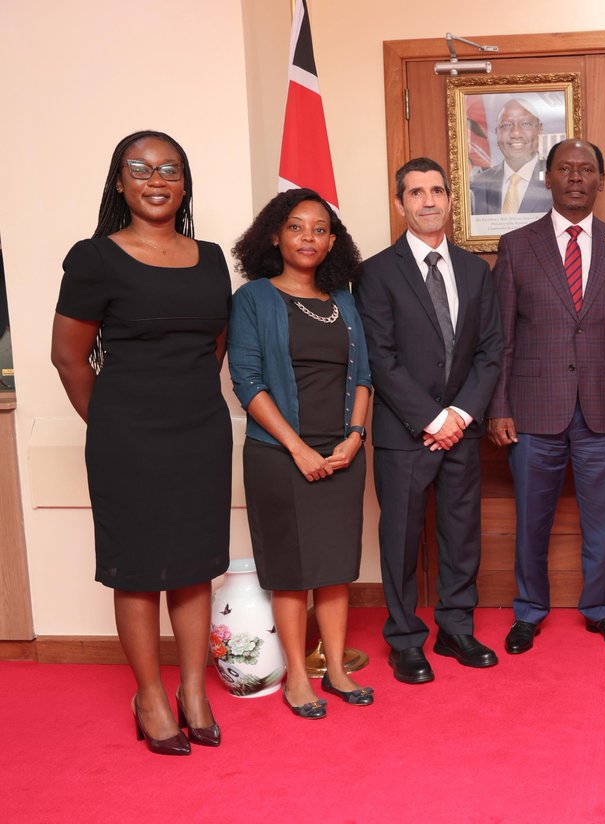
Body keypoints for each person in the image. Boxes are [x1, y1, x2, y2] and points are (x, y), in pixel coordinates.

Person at [51, 130, 231, 754]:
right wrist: (113, 425)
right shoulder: (94, 258)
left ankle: (193, 691)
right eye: (141, 168)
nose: (156, 180)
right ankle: (150, 696)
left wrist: (183, 406)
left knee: (195, 566)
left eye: (169, 170)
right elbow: (69, 359)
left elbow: (213, 348)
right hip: (127, 438)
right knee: (137, 571)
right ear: (119, 182)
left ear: (184, 183)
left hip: (201, 432)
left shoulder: (211, 257)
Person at [487, 139, 605, 652]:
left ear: (601, 181)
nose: (576, 178)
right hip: (532, 411)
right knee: (531, 521)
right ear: (548, 178)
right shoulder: (518, 247)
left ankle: (600, 609)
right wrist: (498, 406)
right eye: (566, 169)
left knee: (601, 521)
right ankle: (528, 611)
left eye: (587, 169)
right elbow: (500, 338)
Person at [356, 158, 503, 684]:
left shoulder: (475, 270)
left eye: (437, 190)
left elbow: (490, 350)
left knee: (461, 534)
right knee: (400, 538)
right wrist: (431, 418)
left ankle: (455, 629)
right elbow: (380, 356)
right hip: (405, 432)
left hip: (462, 429)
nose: (428, 201)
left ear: (450, 199)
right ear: (400, 203)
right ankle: (404, 640)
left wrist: (459, 415)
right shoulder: (375, 272)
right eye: (416, 192)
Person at [228, 188, 373, 718]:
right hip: (279, 455)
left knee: (335, 568)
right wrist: (298, 449)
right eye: (295, 226)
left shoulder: (345, 302)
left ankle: (334, 669)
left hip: (342, 453)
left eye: (319, 229)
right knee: (291, 570)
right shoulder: (253, 299)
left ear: (333, 241)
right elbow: (247, 382)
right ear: (274, 236)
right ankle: (296, 677)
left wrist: (355, 437)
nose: (308, 237)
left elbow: (365, 377)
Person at [469, 99, 553, 216]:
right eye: (507, 125)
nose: (515, 133)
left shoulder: (558, 181)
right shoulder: (476, 185)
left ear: (539, 129)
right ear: (497, 132)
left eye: (525, 124)